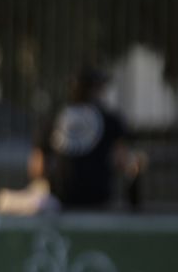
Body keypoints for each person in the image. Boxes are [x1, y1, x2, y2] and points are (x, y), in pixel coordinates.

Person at [27, 67, 146, 210]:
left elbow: (37, 167)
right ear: (96, 90)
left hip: (61, 198)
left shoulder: (54, 117)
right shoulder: (110, 119)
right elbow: (124, 162)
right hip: (98, 197)